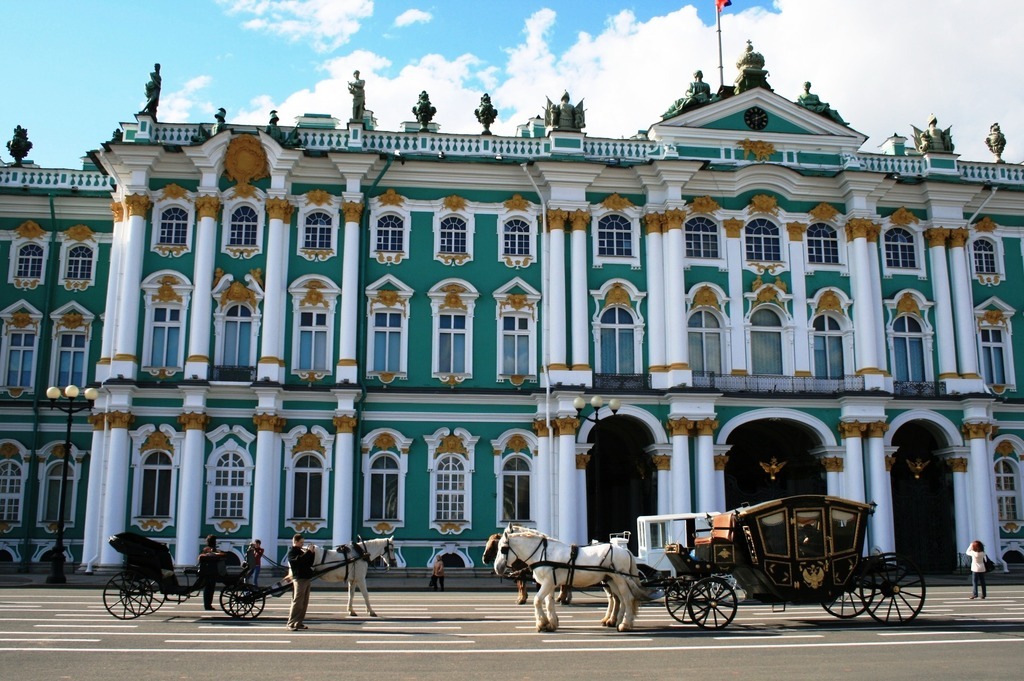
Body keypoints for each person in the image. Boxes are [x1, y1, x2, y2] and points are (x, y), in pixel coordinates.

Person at [286, 534, 316, 630]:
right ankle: (291, 623)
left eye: (303, 542)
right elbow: (299, 561)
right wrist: (308, 552)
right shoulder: (292, 552)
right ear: (295, 542)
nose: (302, 544)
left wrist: (312, 553)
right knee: (297, 602)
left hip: (306, 578)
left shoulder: (301, 551)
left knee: (304, 602)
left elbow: (309, 562)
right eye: (301, 542)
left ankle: (299, 622)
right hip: (299, 579)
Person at [196, 534, 226, 611]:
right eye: (214, 541)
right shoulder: (208, 550)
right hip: (210, 572)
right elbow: (203, 557)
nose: (215, 542)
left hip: (209, 572)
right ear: (213, 542)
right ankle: (207, 605)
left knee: (209, 589)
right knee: (209, 589)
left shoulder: (209, 549)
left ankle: (208, 605)